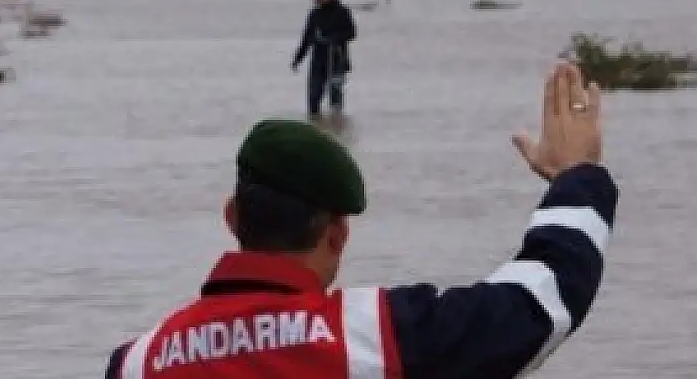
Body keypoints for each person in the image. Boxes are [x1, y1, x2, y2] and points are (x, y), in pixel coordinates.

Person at [105, 62, 618, 379]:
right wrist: (576, 177)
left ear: (231, 217)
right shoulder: (371, 336)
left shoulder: (136, 362)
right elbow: (541, 301)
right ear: (338, 234)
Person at [291, 0, 356, 119]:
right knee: (313, 98)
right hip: (318, 61)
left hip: (337, 59)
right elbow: (306, 39)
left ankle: (337, 126)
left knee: (335, 100)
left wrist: (335, 38)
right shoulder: (315, 14)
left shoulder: (342, 12)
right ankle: (316, 123)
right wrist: (298, 59)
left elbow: (352, 33)